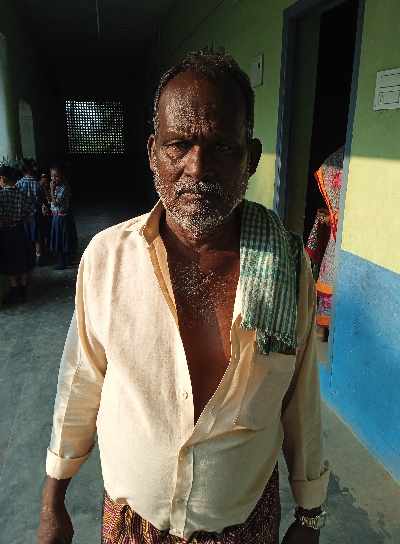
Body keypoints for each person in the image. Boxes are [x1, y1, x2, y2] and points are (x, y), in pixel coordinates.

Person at [38, 51, 329, 544]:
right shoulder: (107, 259)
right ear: (153, 152)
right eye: (179, 145)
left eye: (222, 147)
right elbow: (80, 381)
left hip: (245, 528)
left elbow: (300, 399)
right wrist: (52, 502)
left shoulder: (284, 267)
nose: (198, 167)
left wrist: (310, 516)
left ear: (251, 158)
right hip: (131, 525)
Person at [306, 146, 344, 342]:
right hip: (338, 235)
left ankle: (323, 327)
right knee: (330, 272)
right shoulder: (341, 161)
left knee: (330, 272)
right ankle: (323, 327)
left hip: (338, 237)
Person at [0, 165, 36, 304]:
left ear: (3, 178)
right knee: (22, 259)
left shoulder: (1, 195)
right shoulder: (21, 194)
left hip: (6, 232)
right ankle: (23, 290)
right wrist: (21, 218)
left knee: (10, 260)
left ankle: (15, 290)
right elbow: (31, 211)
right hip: (20, 230)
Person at [49, 164, 78, 270]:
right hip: (56, 216)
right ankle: (64, 261)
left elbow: (56, 203)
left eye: (56, 176)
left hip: (62, 218)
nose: (53, 178)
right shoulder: (57, 186)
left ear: (62, 175)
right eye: (52, 176)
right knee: (59, 239)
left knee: (62, 240)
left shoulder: (64, 187)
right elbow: (51, 201)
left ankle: (64, 262)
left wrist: (51, 189)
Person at [16, 158, 43, 265]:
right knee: (37, 236)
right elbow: (41, 199)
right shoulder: (37, 183)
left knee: (26, 235)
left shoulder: (19, 183)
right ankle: (38, 255)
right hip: (35, 214)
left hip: (24, 214)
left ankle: (29, 256)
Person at [38, 172, 52, 260]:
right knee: (42, 234)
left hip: (49, 213)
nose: (44, 181)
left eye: (46, 179)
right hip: (41, 215)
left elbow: (50, 200)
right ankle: (44, 252)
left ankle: (48, 250)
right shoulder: (38, 187)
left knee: (48, 233)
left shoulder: (49, 188)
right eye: (43, 179)